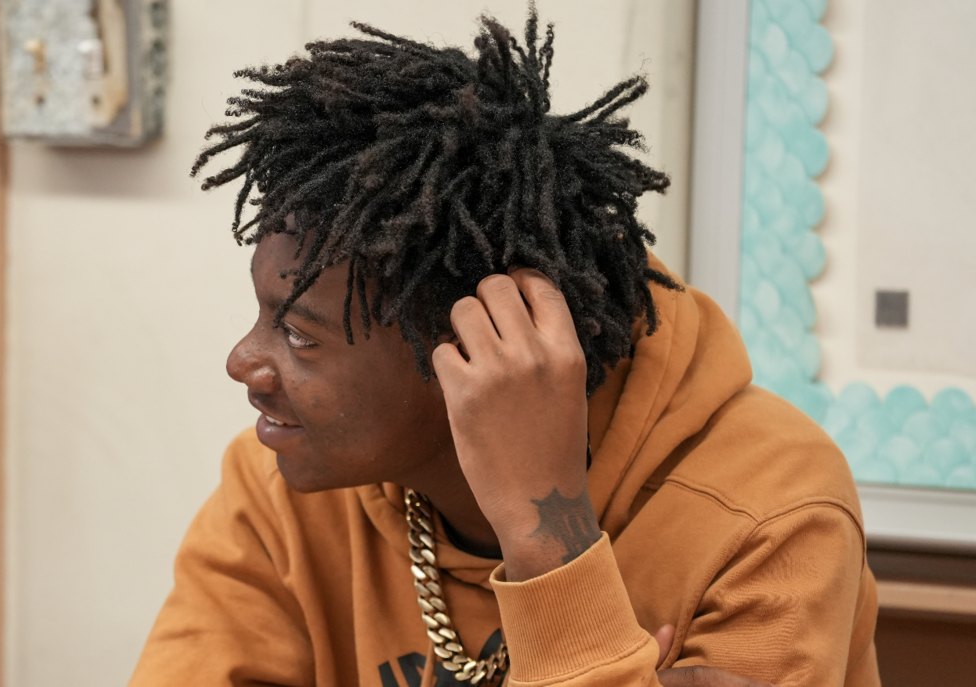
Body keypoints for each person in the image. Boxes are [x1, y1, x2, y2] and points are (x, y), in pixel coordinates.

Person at [128, 7, 880, 687]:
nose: (244, 363)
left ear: (479, 339)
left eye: (297, 332)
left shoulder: (769, 514)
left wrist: (545, 539)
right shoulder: (278, 491)